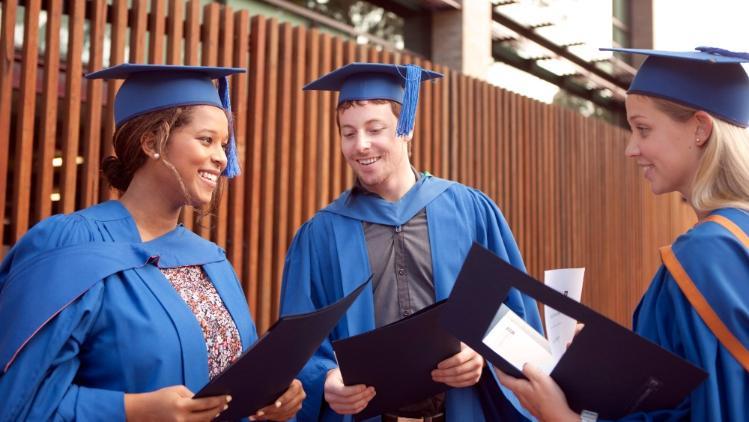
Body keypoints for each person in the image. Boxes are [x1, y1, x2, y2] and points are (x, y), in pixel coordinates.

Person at [0, 64, 305, 421]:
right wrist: (131, 411)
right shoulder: (68, 245)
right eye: (206, 140)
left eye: (224, 144)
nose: (222, 157)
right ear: (151, 143)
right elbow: (16, 401)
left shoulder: (211, 261)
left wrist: (272, 397)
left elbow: (237, 383)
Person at [279, 62, 543, 422]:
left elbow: (517, 320)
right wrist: (326, 380)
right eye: (348, 132)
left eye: (376, 129)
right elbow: (295, 347)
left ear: (407, 129)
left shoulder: (470, 212)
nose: (361, 145)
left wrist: (480, 354)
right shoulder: (321, 235)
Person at [497, 47, 749, 421]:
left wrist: (562, 418)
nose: (631, 149)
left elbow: (716, 411)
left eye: (643, 129)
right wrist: (606, 363)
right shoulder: (735, 237)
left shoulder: (706, 253)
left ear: (700, 128)